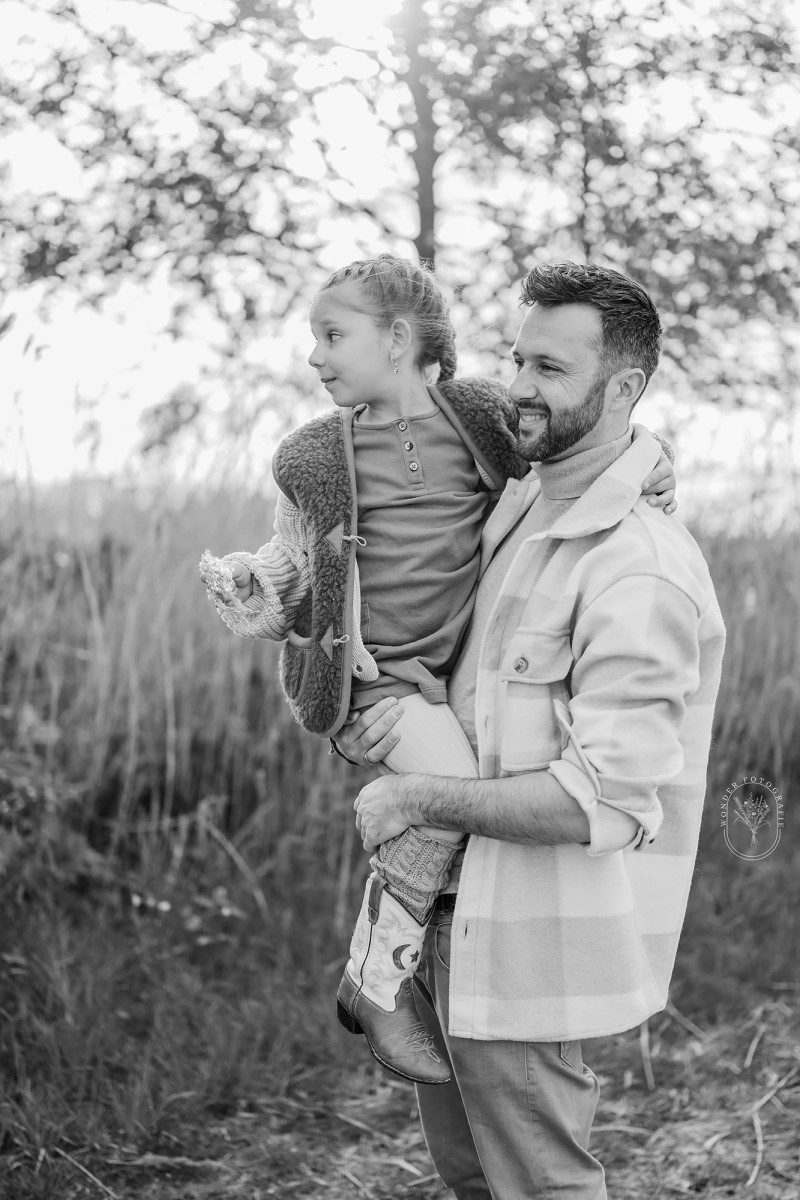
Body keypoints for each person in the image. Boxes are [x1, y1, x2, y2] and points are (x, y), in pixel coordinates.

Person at [200, 254, 677, 1092]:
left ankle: (425, 978)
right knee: (455, 785)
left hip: (446, 672)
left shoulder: (481, 416)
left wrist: (652, 460)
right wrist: (257, 580)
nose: (314, 356)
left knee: (461, 799)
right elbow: (292, 552)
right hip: (373, 679)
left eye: (332, 335)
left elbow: (570, 454)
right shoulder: (314, 455)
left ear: (396, 338)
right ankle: (376, 980)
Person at [337, 262, 726, 1200]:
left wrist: (415, 793)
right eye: (517, 358)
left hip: (528, 941)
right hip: (443, 918)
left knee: (541, 1185)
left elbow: (606, 801)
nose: (516, 386)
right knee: (473, 1178)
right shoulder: (521, 499)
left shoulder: (638, 571)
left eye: (550, 368)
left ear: (623, 387)